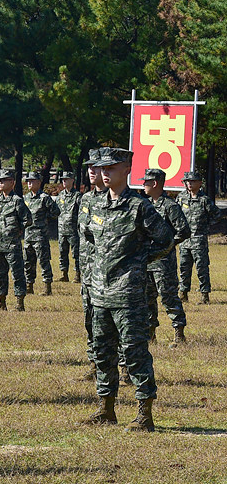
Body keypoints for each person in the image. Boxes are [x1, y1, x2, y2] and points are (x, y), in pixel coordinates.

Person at [80, 148, 172, 432]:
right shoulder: (96, 204)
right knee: (103, 352)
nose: (105, 173)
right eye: (102, 168)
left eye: (112, 168)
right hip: (99, 291)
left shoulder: (139, 206)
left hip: (128, 294)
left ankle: (144, 414)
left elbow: (166, 238)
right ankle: (106, 408)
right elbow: (88, 239)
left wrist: (141, 258)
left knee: (134, 352)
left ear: (126, 170)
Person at [142, 168, 190, 347]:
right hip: (147, 260)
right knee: (147, 298)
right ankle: (150, 335)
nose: (143, 184)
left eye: (146, 182)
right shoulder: (145, 204)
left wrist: (168, 245)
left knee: (168, 297)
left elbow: (184, 230)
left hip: (163, 262)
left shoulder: (170, 206)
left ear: (155, 183)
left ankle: (179, 334)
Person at [76, 149, 108, 381]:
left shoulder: (118, 200)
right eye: (89, 167)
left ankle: (123, 368)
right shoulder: (86, 198)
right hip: (88, 272)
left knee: (111, 324)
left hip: (108, 275)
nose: (91, 171)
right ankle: (94, 364)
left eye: (95, 167)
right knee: (90, 320)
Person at [0, 169, 32, 311]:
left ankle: (19, 303)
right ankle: (1, 302)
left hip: (12, 246)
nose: (0, 182)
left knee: (17, 274)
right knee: (0, 274)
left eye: (4, 180)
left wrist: (17, 229)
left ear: (12, 182)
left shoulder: (17, 201)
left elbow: (27, 219)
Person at [176, 170, 222, 304]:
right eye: (187, 181)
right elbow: (176, 215)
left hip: (199, 241)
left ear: (200, 183)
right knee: (184, 268)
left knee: (202, 268)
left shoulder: (204, 200)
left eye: (192, 181)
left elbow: (217, 215)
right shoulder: (181, 198)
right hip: (184, 241)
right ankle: (183, 294)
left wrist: (206, 226)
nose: (189, 184)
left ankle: (205, 296)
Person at [23, 171, 60, 295]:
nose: (29, 183)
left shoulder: (44, 198)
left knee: (43, 261)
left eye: (32, 181)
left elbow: (56, 212)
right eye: (28, 181)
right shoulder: (26, 198)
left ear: (39, 183)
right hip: (28, 235)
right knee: (28, 262)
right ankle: (29, 286)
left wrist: (44, 219)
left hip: (40, 236)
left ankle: (47, 287)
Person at [55, 171, 81, 283]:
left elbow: (82, 212)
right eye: (63, 179)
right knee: (62, 252)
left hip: (73, 230)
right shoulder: (60, 195)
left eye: (66, 179)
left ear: (72, 180)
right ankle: (64, 274)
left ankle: (77, 274)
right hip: (62, 229)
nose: (64, 181)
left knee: (76, 253)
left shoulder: (77, 196)